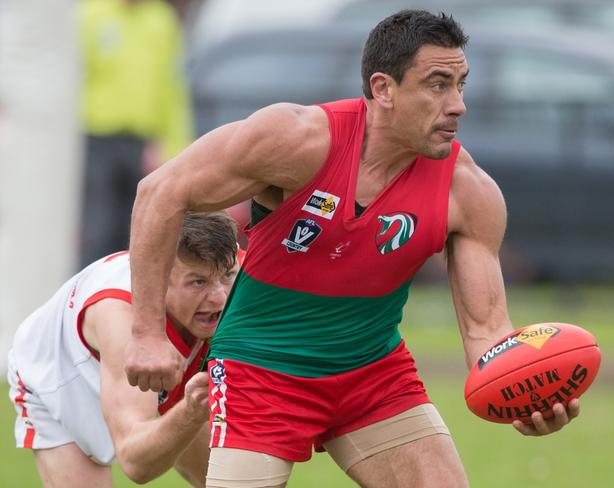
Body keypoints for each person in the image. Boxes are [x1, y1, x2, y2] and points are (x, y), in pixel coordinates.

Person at [125, 10, 581, 488]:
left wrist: (521, 391)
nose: (457, 105)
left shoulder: (467, 192)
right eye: (438, 84)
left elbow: (486, 331)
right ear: (383, 89)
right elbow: (160, 192)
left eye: (461, 84)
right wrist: (147, 333)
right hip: (260, 371)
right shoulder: (296, 139)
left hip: (372, 375)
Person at [7, 211, 241, 487]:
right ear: (159, 277)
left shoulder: (240, 269)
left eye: (227, 276)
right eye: (198, 282)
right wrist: (190, 411)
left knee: (235, 482)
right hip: (61, 378)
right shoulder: (120, 320)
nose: (218, 297)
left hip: (158, 352)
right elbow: (136, 462)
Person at [78, 0, 193, 267]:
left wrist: (173, 147)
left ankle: (128, 297)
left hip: (143, 144)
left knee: (140, 230)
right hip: (96, 138)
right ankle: (92, 299)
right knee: (99, 228)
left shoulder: (161, 20)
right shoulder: (89, 15)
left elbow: (172, 89)